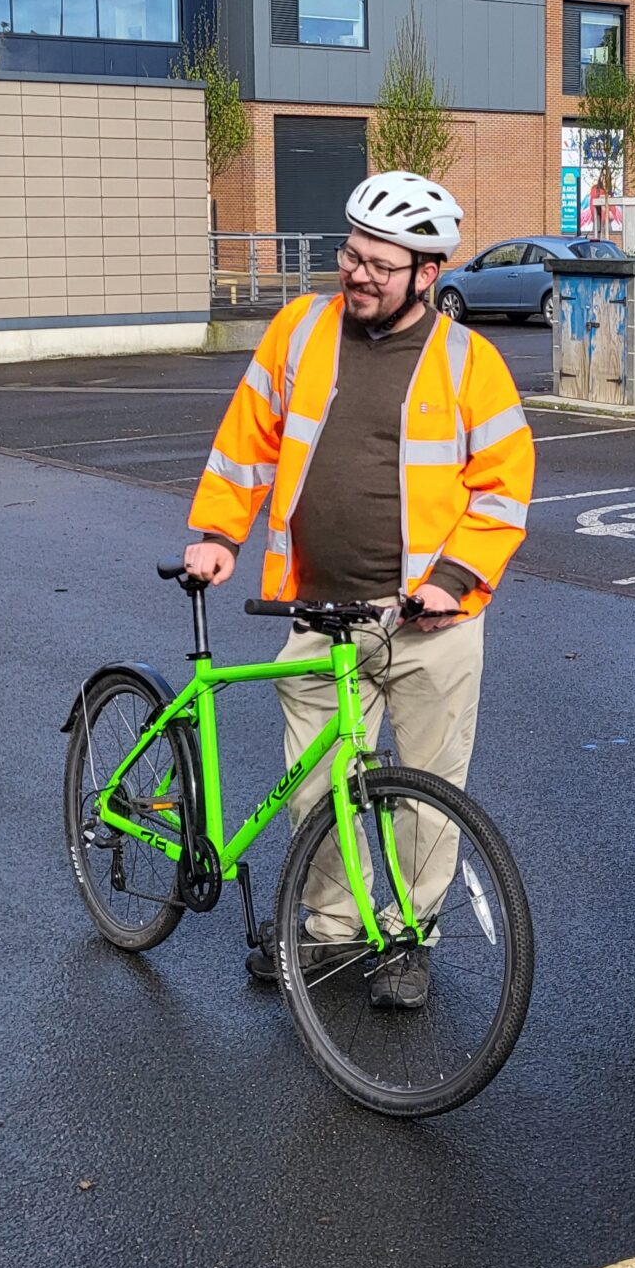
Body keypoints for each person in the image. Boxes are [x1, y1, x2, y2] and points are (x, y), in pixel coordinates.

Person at [184, 171, 533, 1009]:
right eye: (352, 255)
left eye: (380, 264)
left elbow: (504, 486)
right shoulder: (300, 330)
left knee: (428, 796)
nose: (358, 274)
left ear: (427, 273)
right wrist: (218, 532)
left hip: (428, 625)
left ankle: (408, 938)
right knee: (316, 788)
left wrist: (453, 580)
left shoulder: (469, 362)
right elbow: (248, 439)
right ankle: (334, 928)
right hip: (317, 612)